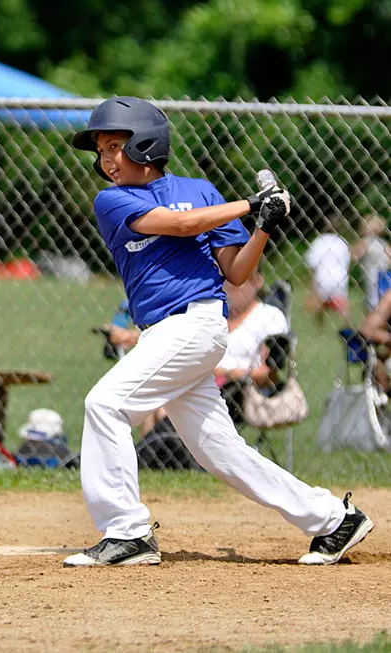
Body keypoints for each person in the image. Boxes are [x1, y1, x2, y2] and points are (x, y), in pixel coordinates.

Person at [63, 96, 372, 567]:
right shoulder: (113, 200)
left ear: (146, 143)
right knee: (220, 453)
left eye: (113, 146)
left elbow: (239, 273)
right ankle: (333, 519)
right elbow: (182, 225)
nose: (105, 160)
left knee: (104, 405)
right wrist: (251, 204)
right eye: (100, 151)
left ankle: (127, 532)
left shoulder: (203, 191)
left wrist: (262, 227)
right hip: (165, 334)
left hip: (195, 326)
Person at [105, 268, 289, 431]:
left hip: (238, 390)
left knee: (169, 400)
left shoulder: (269, 316)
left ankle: (156, 453)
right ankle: (155, 454)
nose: (234, 286)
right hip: (199, 377)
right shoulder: (215, 313)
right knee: (159, 393)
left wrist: (227, 372)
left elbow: (269, 375)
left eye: (243, 279)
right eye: (228, 279)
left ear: (258, 281)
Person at [304, 215, 351, 325]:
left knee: (319, 303)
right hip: (339, 278)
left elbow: (312, 263)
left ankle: (319, 325)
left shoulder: (319, 241)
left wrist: (312, 281)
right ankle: (347, 326)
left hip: (322, 277)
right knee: (342, 306)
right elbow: (347, 263)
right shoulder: (342, 242)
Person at [351, 215, 391, 313]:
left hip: (372, 276)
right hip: (384, 276)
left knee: (373, 302)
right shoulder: (383, 243)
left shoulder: (366, 242)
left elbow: (354, 256)